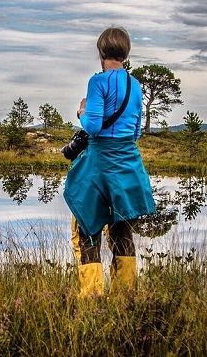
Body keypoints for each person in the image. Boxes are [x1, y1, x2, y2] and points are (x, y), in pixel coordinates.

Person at [68, 26, 156, 298]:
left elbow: (92, 126)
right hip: (128, 163)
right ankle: (126, 295)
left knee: (87, 227)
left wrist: (82, 112)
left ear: (101, 52)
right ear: (125, 53)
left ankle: (92, 296)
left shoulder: (98, 82)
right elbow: (136, 131)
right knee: (122, 230)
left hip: (98, 165)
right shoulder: (135, 85)